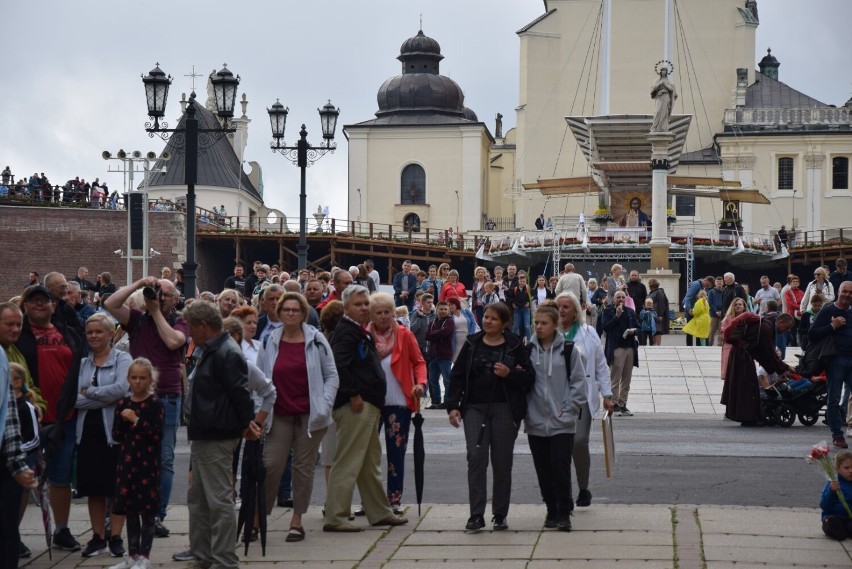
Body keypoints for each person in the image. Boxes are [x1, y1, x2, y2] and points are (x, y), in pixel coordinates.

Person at [103, 276, 188, 537]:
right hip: (137, 397)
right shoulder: (137, 319)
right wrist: (139, 284)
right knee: (130, 456)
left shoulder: (179, 320)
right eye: (157, 293)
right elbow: (110, 303)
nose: (160, 298)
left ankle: (157, 515)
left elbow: (173, 342)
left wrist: (154, 311)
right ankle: (125, 512)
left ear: (175, 298)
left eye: (166, 294)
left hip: (166, 396)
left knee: (163, 458)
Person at [323, 286, 408, 532]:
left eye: (365, 304)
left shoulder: (356, 330)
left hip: (366, 405)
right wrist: (353, 394)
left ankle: (379, 512)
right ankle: (335, 516)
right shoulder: (347, 332)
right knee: (348, 461)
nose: (364, 308)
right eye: (358, 304)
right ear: (346, 307)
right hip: (355, 406)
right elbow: (339, 366)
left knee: (370, 463)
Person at [445, 302, 534, 532]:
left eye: (494, 318)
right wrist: (453, 406)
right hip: (474, 407)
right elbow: (457, 376)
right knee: (476, 458)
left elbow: (529, 379)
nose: (488, 321)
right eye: (486, 317)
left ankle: (500, 514)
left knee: (502, 462)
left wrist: (510, 374)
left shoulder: (515, 345)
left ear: (504, 323)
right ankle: (476, 514)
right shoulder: (473, 343)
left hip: (505, 408)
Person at [256, 292, 337, 542]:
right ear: (279, 313)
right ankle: (259, 517)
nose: (290, 313)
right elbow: (259, 378)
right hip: (278, 412)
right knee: (271, 465)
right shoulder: (269, 340)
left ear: (303, 313)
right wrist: (259, 412)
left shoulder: (317, 340)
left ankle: (297, 520)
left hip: (309, 415)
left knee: (303, 469)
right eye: (286, 310)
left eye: (295, 310)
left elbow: (331, 375)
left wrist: (324, 405)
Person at [183, 301, 258, 568]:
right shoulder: (217, 349)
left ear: (204, 326)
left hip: (216, 434)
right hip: (207, 432)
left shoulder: (225, 352)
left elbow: (241, 394)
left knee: (217, 499)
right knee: (200, 500)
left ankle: (224, 559)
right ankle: (204, 556)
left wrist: (246, 423)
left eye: (191, 326)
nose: (189, 332)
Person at [16, 285, 84, 551]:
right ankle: (13, 534)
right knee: (25, 476)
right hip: (31, 418)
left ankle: (62, 529)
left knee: (61, 477)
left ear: (54, 305)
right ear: (25, 306)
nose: (40, 305)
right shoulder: (18, 337)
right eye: (33, 301)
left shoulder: (66, 333)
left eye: (45, 300)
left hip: (65, 416)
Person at [525, 304, 586, 532]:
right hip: (536, 420)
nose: (539, 327)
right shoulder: (527, 350)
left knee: (560, 466)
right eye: (536, 323)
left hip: (562, 421)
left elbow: (579, 382)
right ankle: (551, 508)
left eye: (544, 323)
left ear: (555, 325)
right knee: (543, 469)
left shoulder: (568, 350)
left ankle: (563, 511)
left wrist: (569, 408)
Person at [76, 313, 132, 559]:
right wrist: (99, 396)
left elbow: (121, 390)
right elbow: (75, 400)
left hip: (115, 432)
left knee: (117, 487)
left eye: (99, 332)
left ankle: (116, 537)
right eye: (90, 332)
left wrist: (89, 393)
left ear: (110, 334)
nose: (94, 336)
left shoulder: (123, 358)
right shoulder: (83, 364)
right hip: (88, 433)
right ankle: (98, 537)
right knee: (94, 487)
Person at [366, 293, 426, 513]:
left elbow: (418, 362)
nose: (383, 316)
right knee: (367, 454)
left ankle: (394, 499)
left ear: (394, 313)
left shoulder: (404, 335)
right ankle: (369, 500)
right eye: (378, 312)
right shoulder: (364, 335)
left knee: (396, 452)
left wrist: (420, 383)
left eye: (387, 312)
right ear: (371, 314)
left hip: (398, 401)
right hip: (370, 403)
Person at [556, 292, 613, 509]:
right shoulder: (549, 332)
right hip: (555, 399)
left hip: (582, 398)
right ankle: (562, 494)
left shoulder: (589, 333)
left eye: (566, 307)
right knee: (559, 446)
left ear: (576, 311)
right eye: (559, 306)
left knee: (579, 442)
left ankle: (583, 487)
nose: (561, 310)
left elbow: (600, 365)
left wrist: (607, 395)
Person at [109, 358, 164, 569]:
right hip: (127, 462)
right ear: (128, 379)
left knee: (147, 511)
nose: (138, 382)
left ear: (150, 379)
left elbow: (156, 434)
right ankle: (132, 555)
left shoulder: (154, 403)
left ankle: (145, 556)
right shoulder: (123, 404)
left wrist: (136, 420)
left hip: (147, 464)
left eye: (142, 378)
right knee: (130, 509)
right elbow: (116, 434)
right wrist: (124, 421)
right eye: (134, 377)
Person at [722, 312, 794, 426]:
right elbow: (769, 354)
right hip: (742, 355)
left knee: (743, 386)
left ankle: (743, 415)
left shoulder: (767, 324)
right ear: (780, 322)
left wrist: (779, 369)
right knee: (747, 386)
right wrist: (785, 367)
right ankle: (747, 417)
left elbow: (764, 354)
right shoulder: (766, 328)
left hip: (740, 353)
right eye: (787, 327)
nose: (786, 331)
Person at [1, 348, 38, 569]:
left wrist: (18, 463)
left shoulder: (26, 406)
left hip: (13, 463)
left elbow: (27, 435)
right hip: (13, 460)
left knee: (8, 526)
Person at [809, 281, 852, 448]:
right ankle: (837, 434)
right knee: (833, 398)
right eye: (845, 291)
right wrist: (832, 326)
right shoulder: (828, 310)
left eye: (850, 292)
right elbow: (812, 334)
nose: (848, 295)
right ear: (839, 292)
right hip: (836, 360)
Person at [600, 291, 639, 416]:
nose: (621, 299)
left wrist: (634, 331)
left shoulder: (630, 311)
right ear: (613, 299)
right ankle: (614, 404)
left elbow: (639, 327)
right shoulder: (608, 311)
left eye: (623, 297)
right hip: (617, 348)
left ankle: (623, 404)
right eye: (618, 297)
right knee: (615, 378)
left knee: (627, 379)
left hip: (630, 348)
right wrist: (616, 316)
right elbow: (605, 327)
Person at [425, 301, 455, 409]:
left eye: (445, 309)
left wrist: (434, 334)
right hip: (433, 356)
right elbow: (426, 336)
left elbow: (445, 332)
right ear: (437, 309)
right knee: (433, 380)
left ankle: (447, 402)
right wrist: (438, 333)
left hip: (445, 355)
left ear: (448, 310)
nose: (443, 311)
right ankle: (436, 402)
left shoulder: (450, 322)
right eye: (441, 309)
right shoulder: (432, 322)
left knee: (447, 380)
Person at [820, 449, 852, 540]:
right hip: (834, 516)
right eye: (846, 468)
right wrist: (831, 491)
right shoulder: (833, 482)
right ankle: (835, 529)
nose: (851, 470)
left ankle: (844, 532)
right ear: (837, 469)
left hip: (849, 518)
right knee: (832, 522)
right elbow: (824, 505)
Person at [721, 298, 748, 379]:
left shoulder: (748, 317)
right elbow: (724, 330)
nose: (738, 306)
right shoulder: (728, 318)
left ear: (744, 306)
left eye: (740, 304)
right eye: (736, 305)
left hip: (744, 344)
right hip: (730, 343)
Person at [447, 296, 479, 360]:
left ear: (456, 304)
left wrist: (470, 334)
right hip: (456, 340)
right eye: (448, 305)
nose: (450, 306)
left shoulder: (465, 311)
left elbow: (473, 322)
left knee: (468, 357)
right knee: (456, 359)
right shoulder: (449, 316)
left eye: (452, 304)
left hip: (468, 337)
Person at [650, 64, 677, 132]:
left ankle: (662, 127)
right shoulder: (657, 80)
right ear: (660, 72)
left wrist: (665, 85)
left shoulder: (668, 81)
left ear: (667, 72)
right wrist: (660, 84)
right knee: (658, 111)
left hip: (666, 96)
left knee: (664, 112)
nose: (664, 72)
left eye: (665, 71)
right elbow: (653, 88)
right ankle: (655, 127)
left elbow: (671, 89)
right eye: (663, 70)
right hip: (659, 96)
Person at [509, 272, 532, 340]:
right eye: (521, 281)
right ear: (518, 281)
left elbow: (532, 298)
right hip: (517, 309)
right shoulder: (515, 289)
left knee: (527, 326)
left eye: (523, 281)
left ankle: (529, 342)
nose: (522, 282)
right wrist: (512, 304)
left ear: (526, 281)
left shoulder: (528, 289)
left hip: (525, 309)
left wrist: (529, 304)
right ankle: (512, 341)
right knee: (515, 326)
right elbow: (511, 298)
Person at [646, 279, 669, 345]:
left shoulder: (659, 292)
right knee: (654, 330)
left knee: (657, 331)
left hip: (657, 315)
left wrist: (661, 315)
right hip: (652, 315)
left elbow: (662, 304)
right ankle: (654, 345)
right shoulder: (652, 292)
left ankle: (658, 345)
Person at [707, 277, 725, 346]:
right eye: (718, 282)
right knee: (712, 331)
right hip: (713, 315)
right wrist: (716, 311)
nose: (719, 283)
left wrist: (722, 311)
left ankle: (720, 345)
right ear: (715, 283)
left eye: (720, 282)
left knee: (721, 331)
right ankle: (709, 344)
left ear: (723, 283)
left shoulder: (725, 291)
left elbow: (726, 302)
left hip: (722, 315)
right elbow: (710, 303)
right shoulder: (711, 291)